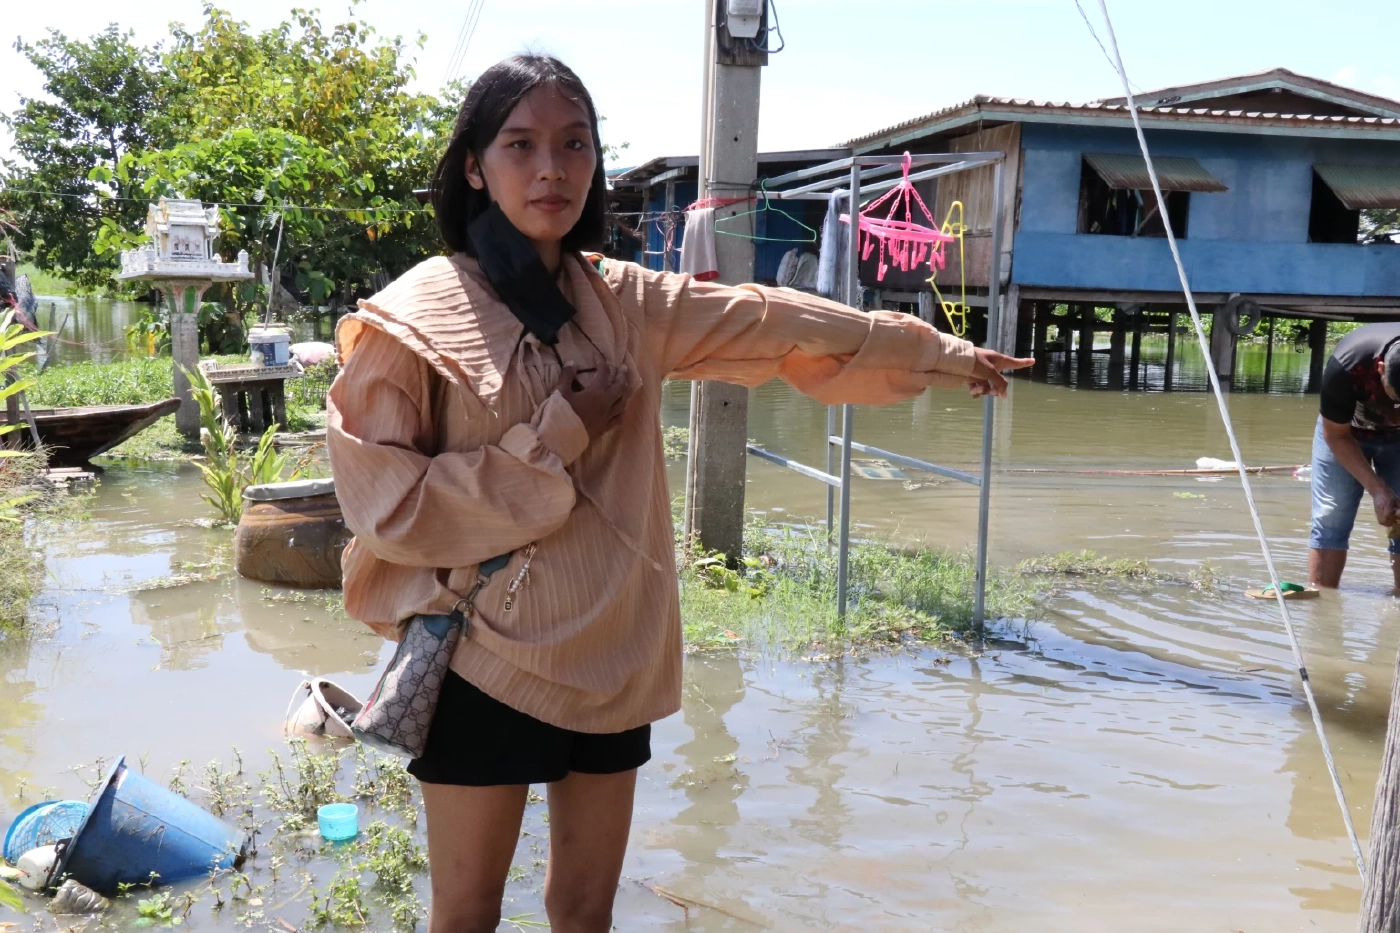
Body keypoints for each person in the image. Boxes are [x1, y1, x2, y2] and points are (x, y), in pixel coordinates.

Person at [326, 54, 1032, 933]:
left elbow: (777, 321)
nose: (551, 167)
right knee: (465, 913)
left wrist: (936, 349)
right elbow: (388, 509)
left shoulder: (626, 302)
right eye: (521, 144)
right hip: (485, 659)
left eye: (574, 143)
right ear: (475, 166)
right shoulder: (414, 318)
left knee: (584, 909)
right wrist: (560, 435)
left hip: (616, 652)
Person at [1310, 321, 1400, 588]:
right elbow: (1336, 435)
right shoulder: (1347, 364)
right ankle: (1323, 606)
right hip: (1348, 434)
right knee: (1331, 516)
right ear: (1381, 369)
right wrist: (1378, 489)